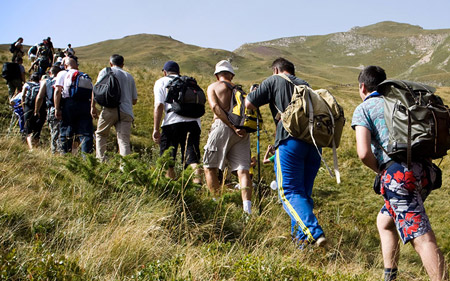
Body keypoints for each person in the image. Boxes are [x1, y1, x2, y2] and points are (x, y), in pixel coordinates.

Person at [352, 66, 448, 281]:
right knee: (384, 221)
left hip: (399, 176)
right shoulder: (401, 102)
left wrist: (382, 171)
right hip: (425, 172)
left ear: (362, 86)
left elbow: (363, 153)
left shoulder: (365, 108)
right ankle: (390, 276)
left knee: (421, 237)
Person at [245, 57, 326, 246]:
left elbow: (249, 103)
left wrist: (255, 92)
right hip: (314, 144)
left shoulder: (274, 80)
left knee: (289, 192)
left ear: (276, 70)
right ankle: (301, 244)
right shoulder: (306, 85)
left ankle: (314, 232)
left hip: (290, 142)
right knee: (303, 194)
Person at [203, 60, 252, 214]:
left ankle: (217, 207)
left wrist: (231, 126)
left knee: (209, 167)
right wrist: (238, 128)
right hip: (243, 132)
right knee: (243, 170)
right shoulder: (241, 92)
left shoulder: (214, 87)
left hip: (223, 126)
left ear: (217, 75)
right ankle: (247, 212)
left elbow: (215, 107)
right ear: (231, 75)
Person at [152, 61, 202, 182]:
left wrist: (156, 129)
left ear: (165, 72)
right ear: (178, 72)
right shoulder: (188, 82)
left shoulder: (161, 82)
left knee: (168, 159)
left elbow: (159, 105)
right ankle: (197, 188)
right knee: (192, 158)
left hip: (172, 122)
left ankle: (171, 189)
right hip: (194, 123)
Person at [91, 54, 138, 161]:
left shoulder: (106, 71)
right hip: (126, 111)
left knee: (101, 135)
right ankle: (125, 167)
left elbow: (97, 89)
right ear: (123, 64)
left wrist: (92, 107)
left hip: (109, 109)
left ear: (110, 63)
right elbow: (134, 100)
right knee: (123, 140)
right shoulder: (129, 76)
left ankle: (101, 161)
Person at [54, 58, 94, 154]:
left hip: (69, 103)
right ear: (77, 65)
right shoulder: (83, 75)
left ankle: (66, 155)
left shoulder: (62, 73)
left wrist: (57, 108)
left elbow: (57, 91)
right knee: (85, 133)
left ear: (65, 65)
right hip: (85, 104)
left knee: (67, 129)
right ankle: (87, 158)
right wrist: (92, 107)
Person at [34, 66, 62, 154]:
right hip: (64, 108)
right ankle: (64, 151)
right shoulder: (63, 80)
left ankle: (55, 152)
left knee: (54, 131)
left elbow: (39, 97)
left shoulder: (46, 82)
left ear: (50, 73)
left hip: (53, 108)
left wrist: (36, 110)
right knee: (63, 131)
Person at [21, 73, 46, 150]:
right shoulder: (42, 85)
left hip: (28, 108)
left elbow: (22, 96)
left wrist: (23, 106)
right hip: (41, 109)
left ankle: (31, 148)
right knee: (37, 129)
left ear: (31, 79)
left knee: (28, 128)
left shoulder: (27, 84)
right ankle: (36, 145)